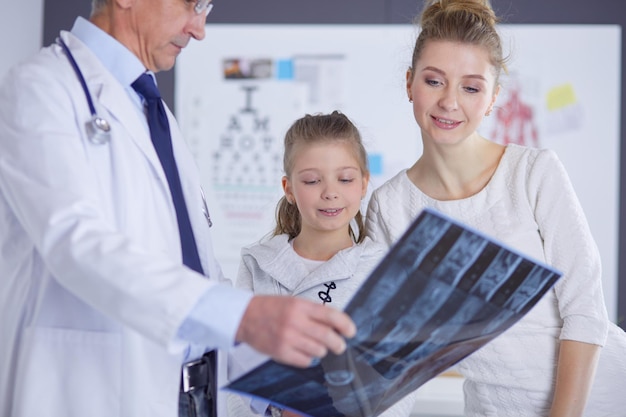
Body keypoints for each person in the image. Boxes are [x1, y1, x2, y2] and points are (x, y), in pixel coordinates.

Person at [0, 1, 357, 417]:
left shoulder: (152, 111)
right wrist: (243, 315)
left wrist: (286, 383)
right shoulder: (42, 87)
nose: (199, 28)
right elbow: (76, 244)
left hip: (191, 398)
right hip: (94, 392)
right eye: (192, 4)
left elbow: (196, 270)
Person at [365, 1, 626, 416]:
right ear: (410, 82)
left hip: (603, 398)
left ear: (492, 98)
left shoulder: (533, 173)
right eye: (434, 81)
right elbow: (396, 353)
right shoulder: (390, 208)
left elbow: (585, 310)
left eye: (470, 87)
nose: (450, 102)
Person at [226, 112, 418, 417]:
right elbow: (235, 366)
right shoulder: (257, 264)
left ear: (364, 183)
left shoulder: (383, 270)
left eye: (345, 179)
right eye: (313, 180)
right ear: (289, 188)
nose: (330, 192)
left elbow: (402, 379)